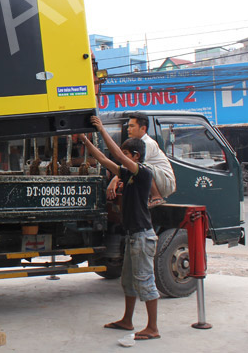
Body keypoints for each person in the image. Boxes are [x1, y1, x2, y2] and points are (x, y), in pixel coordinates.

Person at [78, 115, 160, 341]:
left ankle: (152, 328)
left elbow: (114, 154)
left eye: (127, 154)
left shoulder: (142, 173)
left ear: (136, 156)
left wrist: (102, 130)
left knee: (145, 281)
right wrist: (86, 142)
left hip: (143, 237)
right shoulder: (127, 174)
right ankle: (127, 320)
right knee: (128, 282)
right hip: (133, 237)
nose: (123, 157)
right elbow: (105, 159)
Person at [108, 112, 176, 207]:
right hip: (155, 179)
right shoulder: (136, 143)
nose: (128, 129)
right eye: (128, 126)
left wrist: (114, 180)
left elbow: (134, 165)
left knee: (141, 168)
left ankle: (156, 197)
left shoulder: (148, 143)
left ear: (143, 128)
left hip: (165, 182)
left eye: (132, 126)